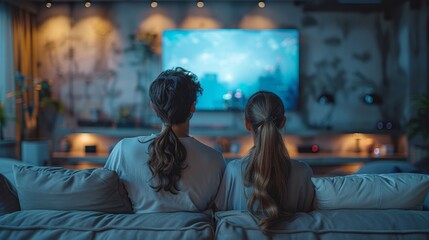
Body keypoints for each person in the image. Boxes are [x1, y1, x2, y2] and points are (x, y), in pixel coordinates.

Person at [105, 67, 226, 213]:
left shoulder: (124, 149)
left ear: (153, 107)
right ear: (193, 106)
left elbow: (108, 200)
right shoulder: (215, 160)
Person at [215, 91, 314, 233]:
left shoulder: (233, 171)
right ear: (283, 122)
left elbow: (219, 217)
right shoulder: (304, 172)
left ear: (247, 124)